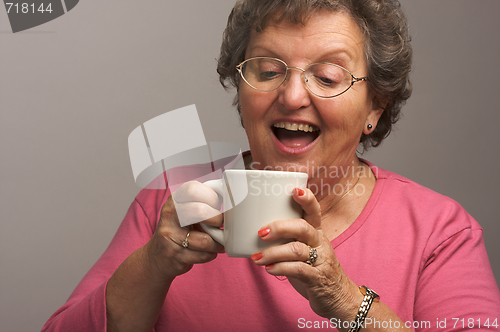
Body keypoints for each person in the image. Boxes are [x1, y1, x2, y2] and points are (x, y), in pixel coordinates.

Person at [42, 0, 500, 331]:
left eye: (327, 77)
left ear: (374, 107)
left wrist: (343, 298)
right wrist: (154, 262)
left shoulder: (441, 232)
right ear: (241, 96)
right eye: (267, 70)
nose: (293, 96)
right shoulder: (173, 200)